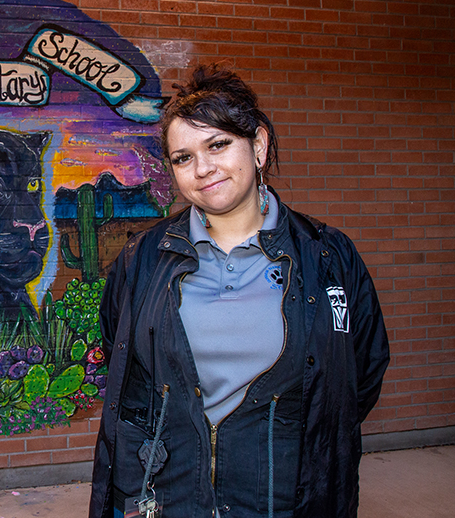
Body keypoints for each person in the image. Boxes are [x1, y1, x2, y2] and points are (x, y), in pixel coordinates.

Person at [89, 64, 390, 518]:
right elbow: (124, 361)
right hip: (172, 497)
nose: (203, 168)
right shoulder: (143, 258)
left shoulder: (328, 255)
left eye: (218, 144)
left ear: (259, 146)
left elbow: (356, 374)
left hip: (286, 499)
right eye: (183, 157)